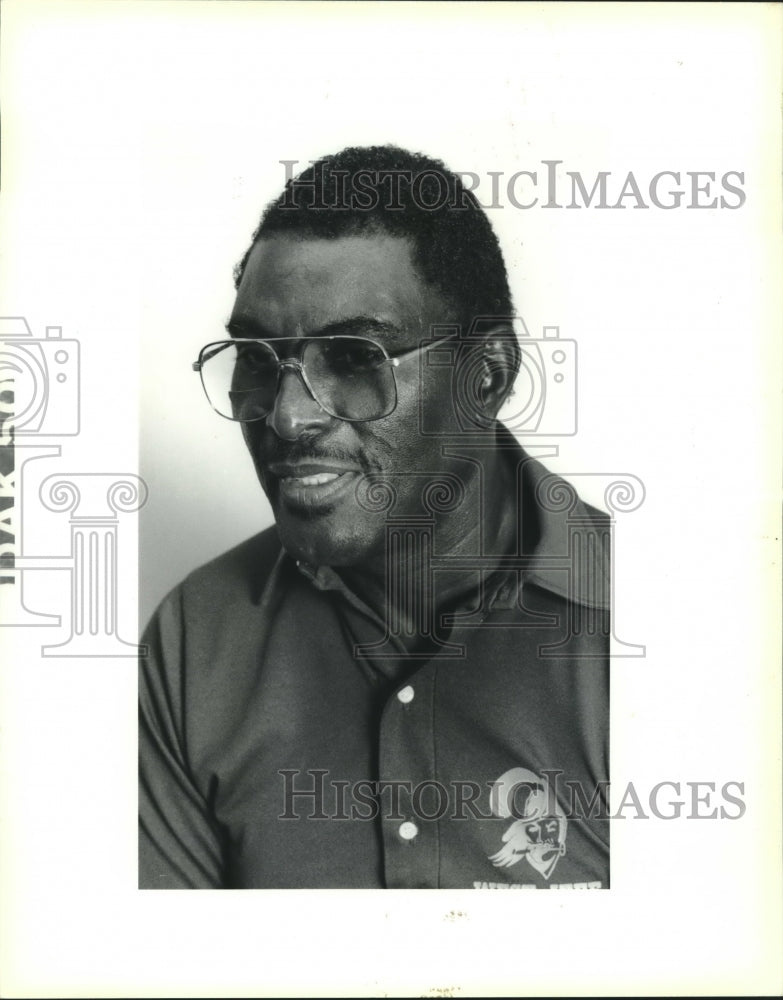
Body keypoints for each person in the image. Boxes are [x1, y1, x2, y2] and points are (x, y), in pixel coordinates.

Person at [139, 146, 610, 890]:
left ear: (485, 376)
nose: (289, 417)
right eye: (259, 359)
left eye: (355, 357)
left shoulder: (666, 623)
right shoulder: (197, 642)